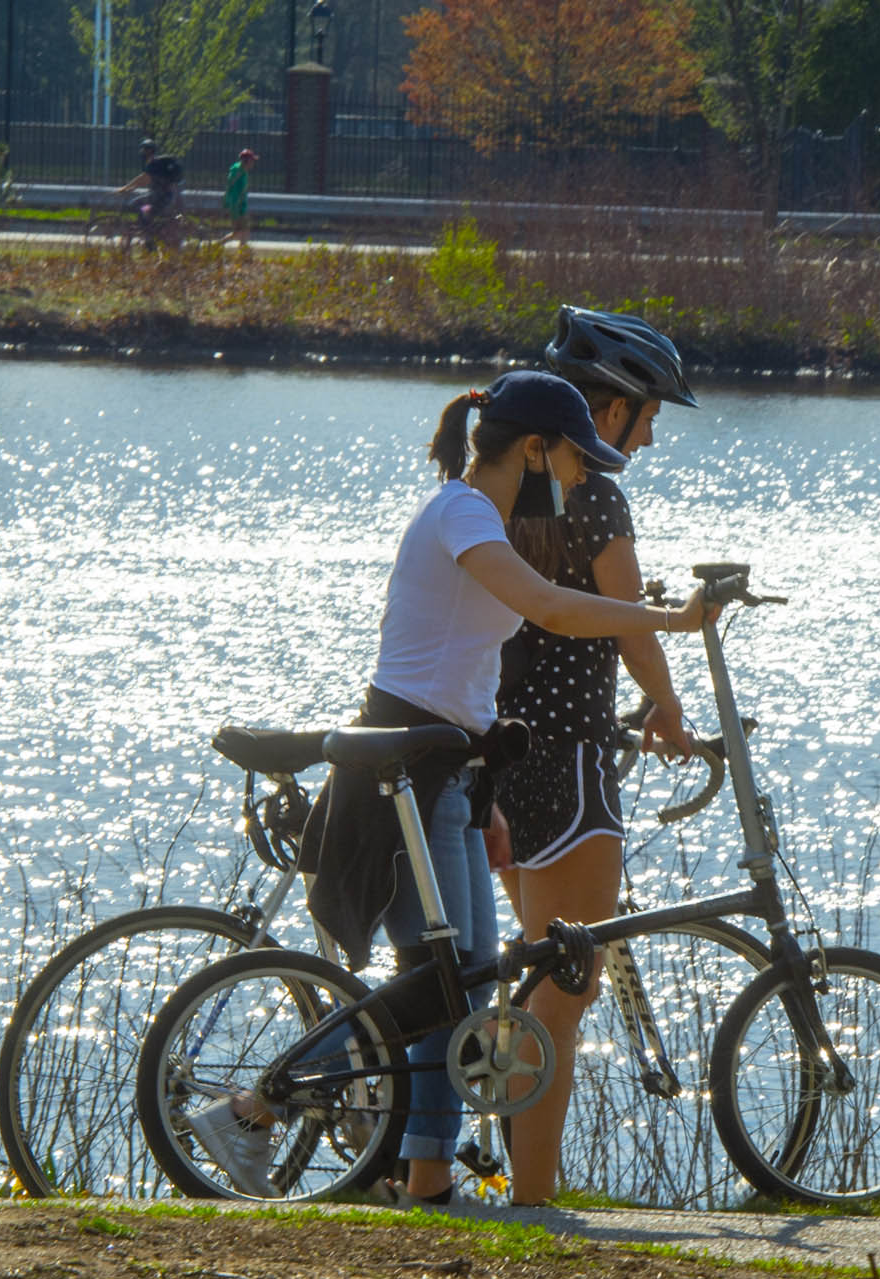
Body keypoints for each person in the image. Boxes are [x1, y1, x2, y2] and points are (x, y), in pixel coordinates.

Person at [185, 371, 717, 1209]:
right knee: (443, 981)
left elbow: (467, 676)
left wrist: (487, 791)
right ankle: (254, 1108)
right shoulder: (464, 513)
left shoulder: (486, 519)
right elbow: (551, 609)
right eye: (578, 458)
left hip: (451, 767)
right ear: (534, 449)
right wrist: (674, 623)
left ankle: (429, 1183)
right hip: (401, 767)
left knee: (464, 985)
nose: (585, 477)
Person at [491, 307, 704, 1208]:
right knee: (564, 994)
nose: (651, 436)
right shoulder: (599, 494)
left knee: (528, 978)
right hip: (571, 756)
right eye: (648, 413)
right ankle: (534, 1206)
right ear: (609, 410)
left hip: (494, 752)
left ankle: (510, 1185)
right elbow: (621, 624)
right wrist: (668, 702)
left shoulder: (506, 490)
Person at [116, 139, 187, 247]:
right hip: (160, 196)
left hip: (161, 198)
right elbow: (147, 180)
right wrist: (131, 188)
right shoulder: (155, 164)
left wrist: (126, 187)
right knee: (139, 206)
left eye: (145, 150)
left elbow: (143, 178)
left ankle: (149, 238)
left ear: (149, 151)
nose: (143, 153)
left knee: (140, 207)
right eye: (143, 150)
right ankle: (150, 230)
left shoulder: (153, 164)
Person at [224, 148, 257, 249]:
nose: (253, 163)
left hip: (240, 205)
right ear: (246, 161)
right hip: (236, 205)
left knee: (239, 232)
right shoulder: (237, 171)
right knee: (243, 231)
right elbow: (230, 185)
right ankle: (242, 253)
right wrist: (229, 202)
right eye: (252, 160)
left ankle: (216, 245)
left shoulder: (242, 170)